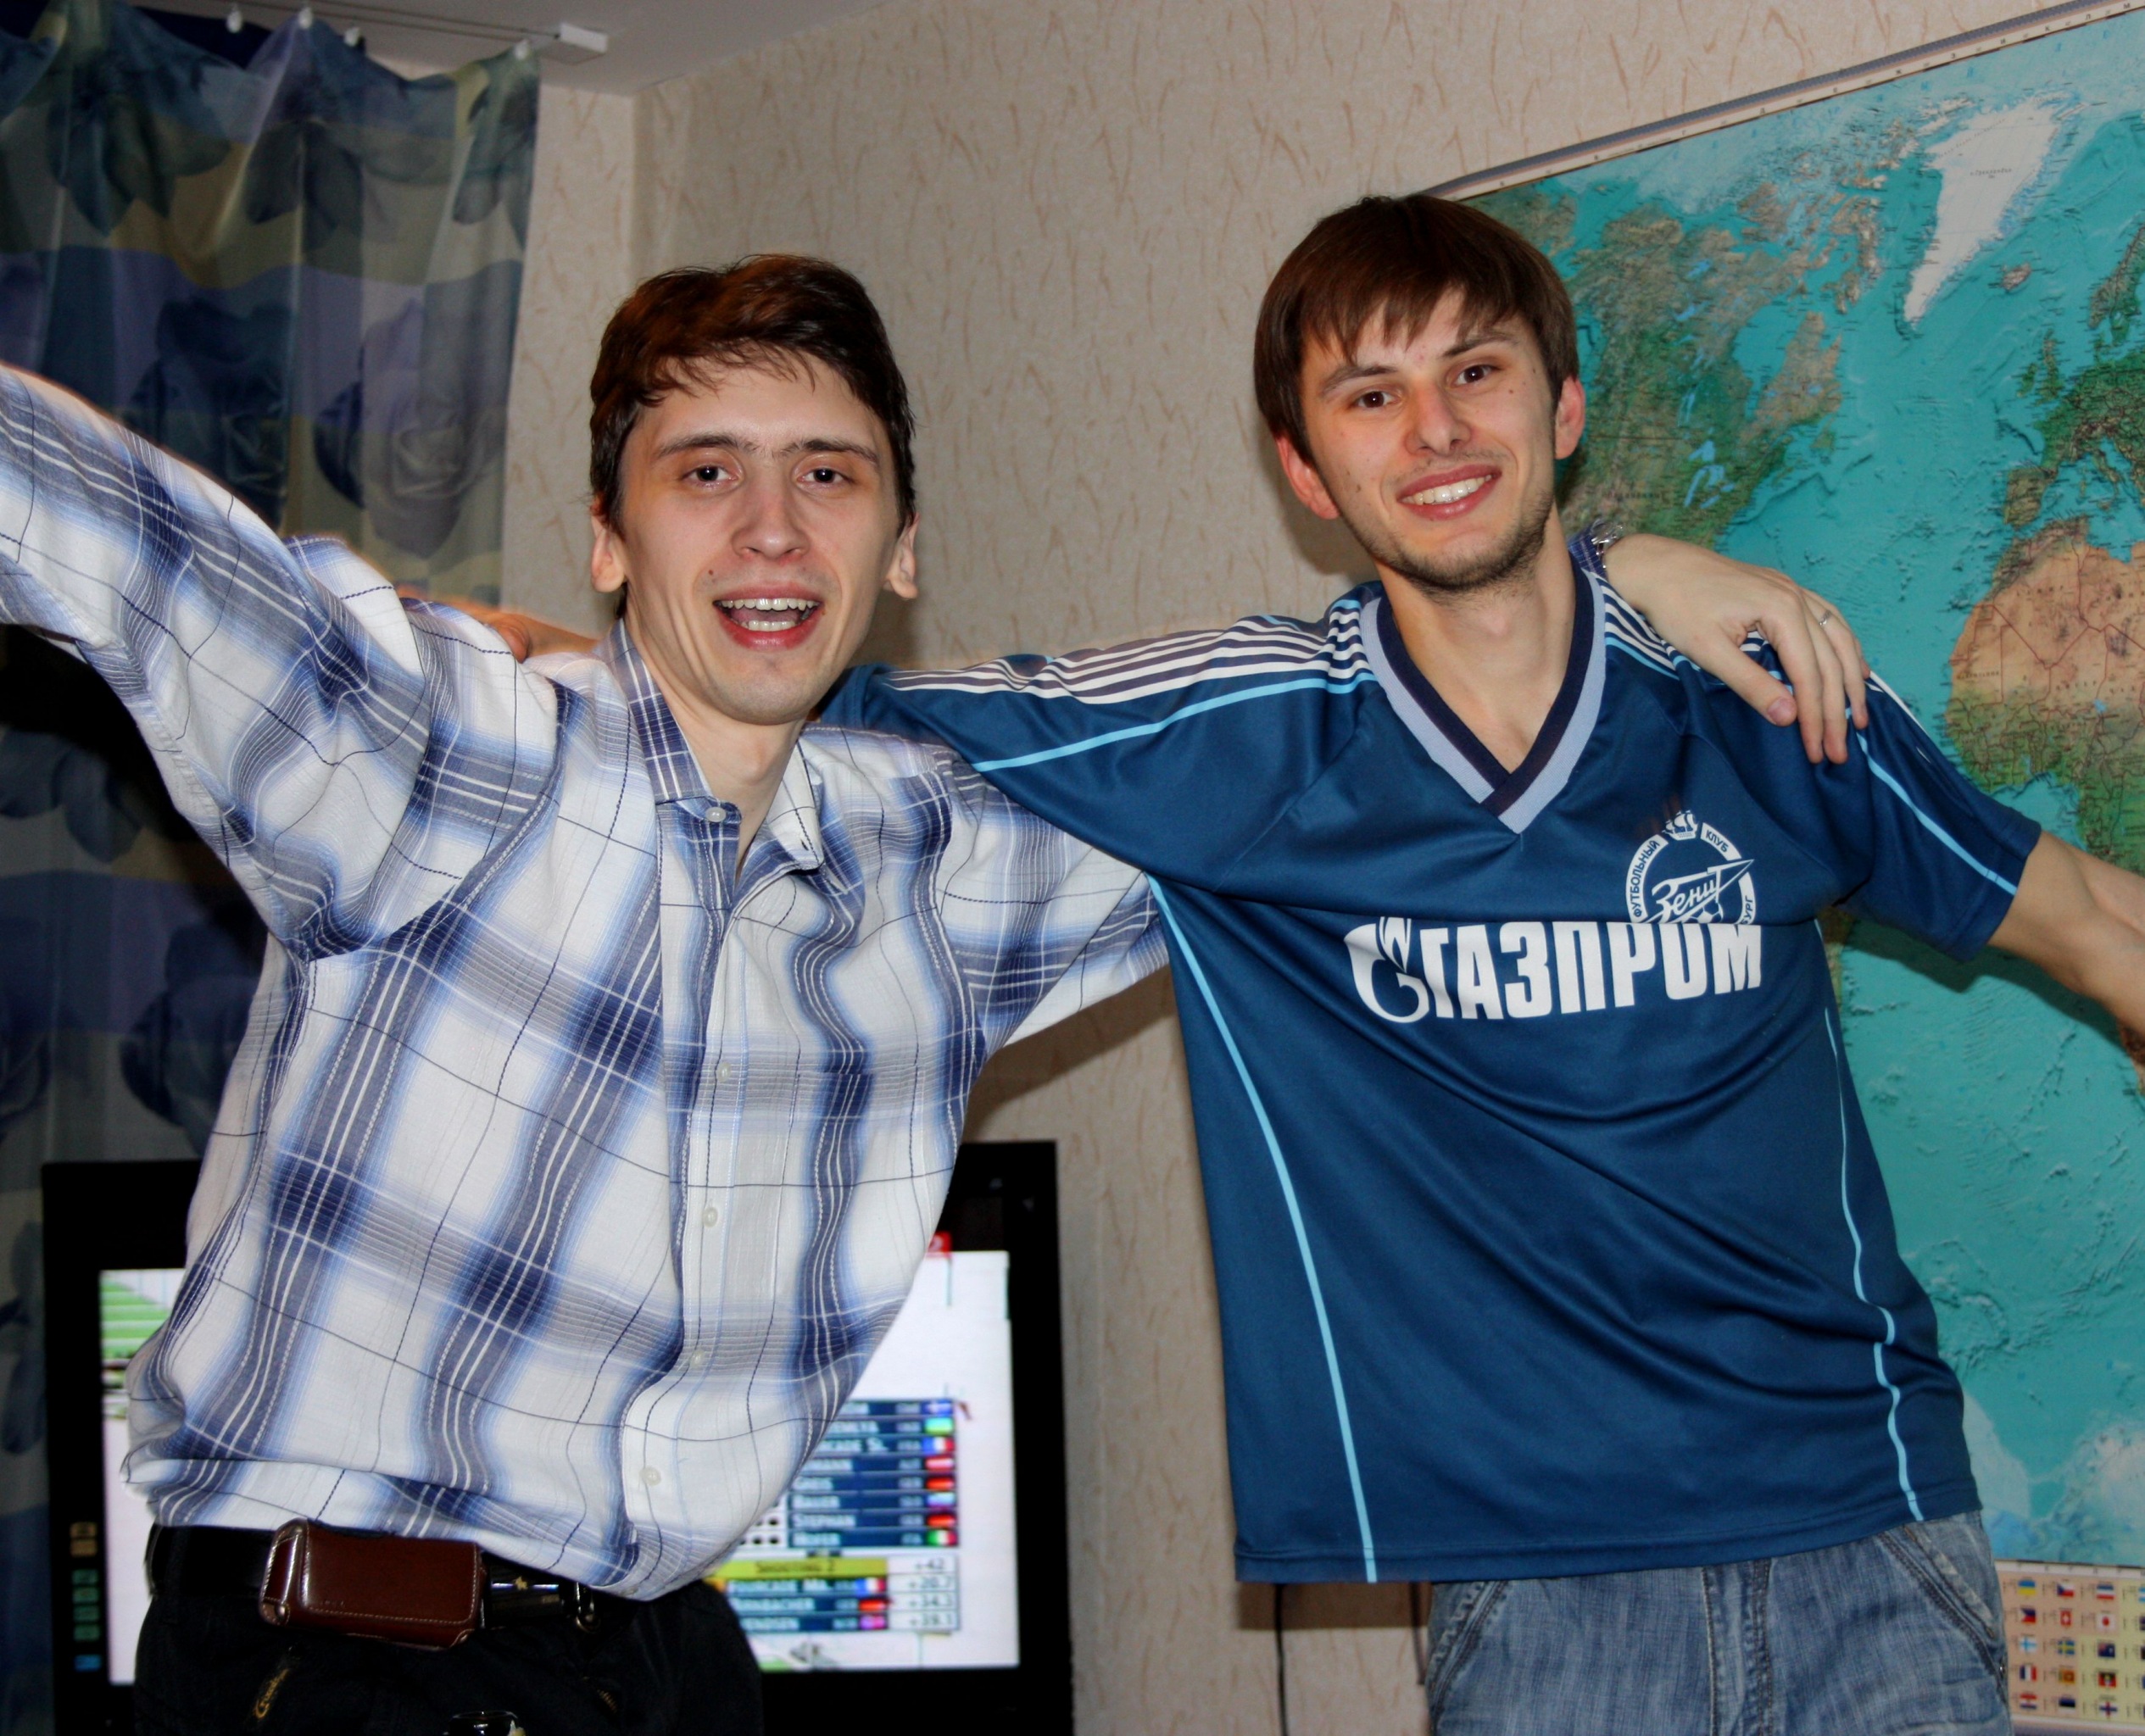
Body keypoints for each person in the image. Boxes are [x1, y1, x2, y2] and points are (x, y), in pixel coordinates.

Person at [0, 254, 1828, 1733]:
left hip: (661, 1662)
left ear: (902, 551)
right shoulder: (442, 756)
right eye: (704, 473)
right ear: (608, 538)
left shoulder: (946, 864)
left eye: (829, 475)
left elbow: (1332, 742)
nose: (771, 531)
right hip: (339, 1665)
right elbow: (96, 523)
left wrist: (1610, 580)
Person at [817, 196, 2145, 1734]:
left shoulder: (1759, 694)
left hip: (1872, 1533)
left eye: (1475, 372)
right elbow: (777, 706)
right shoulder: (1251, 734)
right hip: (1538, 1592)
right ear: (1304, 472)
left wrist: (1627, 567)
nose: (1434, 430)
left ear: (1562, 409)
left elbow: (2095, 926)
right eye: (1369, 396)